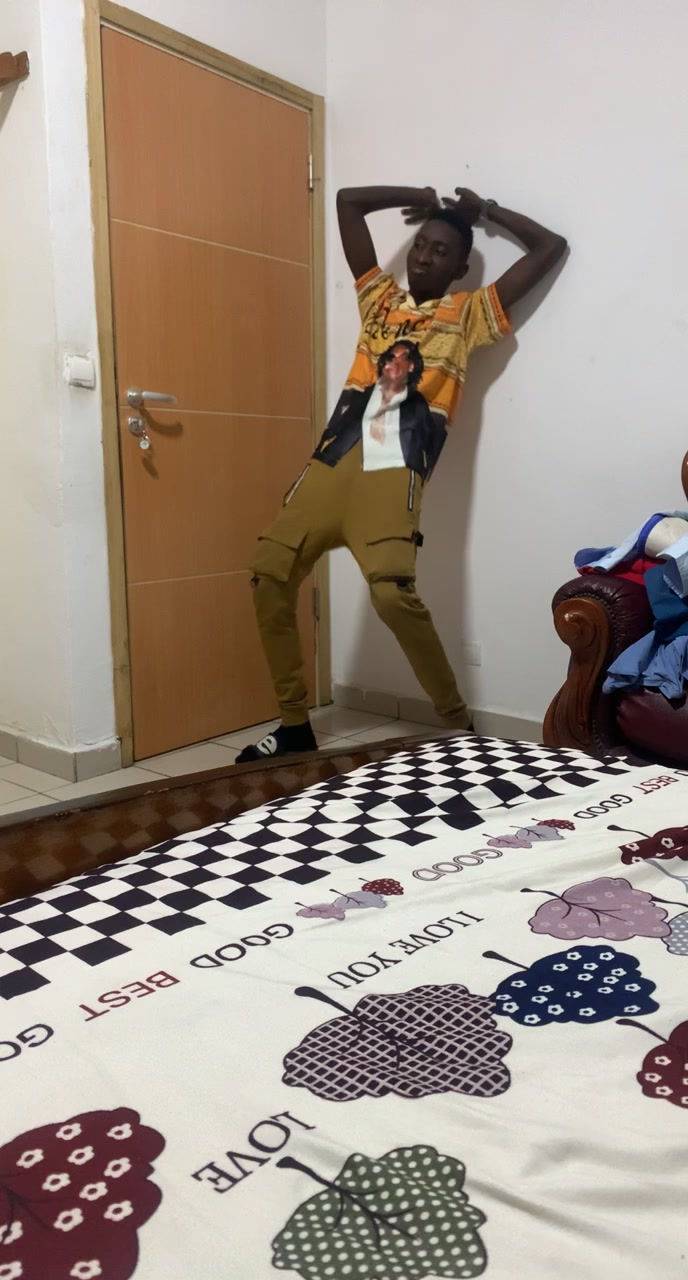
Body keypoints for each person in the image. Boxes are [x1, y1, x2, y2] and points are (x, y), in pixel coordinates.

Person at [236, 184, 567, 762]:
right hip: (330, 461)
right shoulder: (379, 300)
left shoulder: (468, 314)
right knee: (269, 575)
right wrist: (419, 195)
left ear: (459, 268)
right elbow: (346, 202)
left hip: (394, 469)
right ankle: (293, 726)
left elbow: (550, 247)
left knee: (392, 597)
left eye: (441, 251)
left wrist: (486, 213)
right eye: (420, 245)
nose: (424, 257)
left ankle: (457, 728)